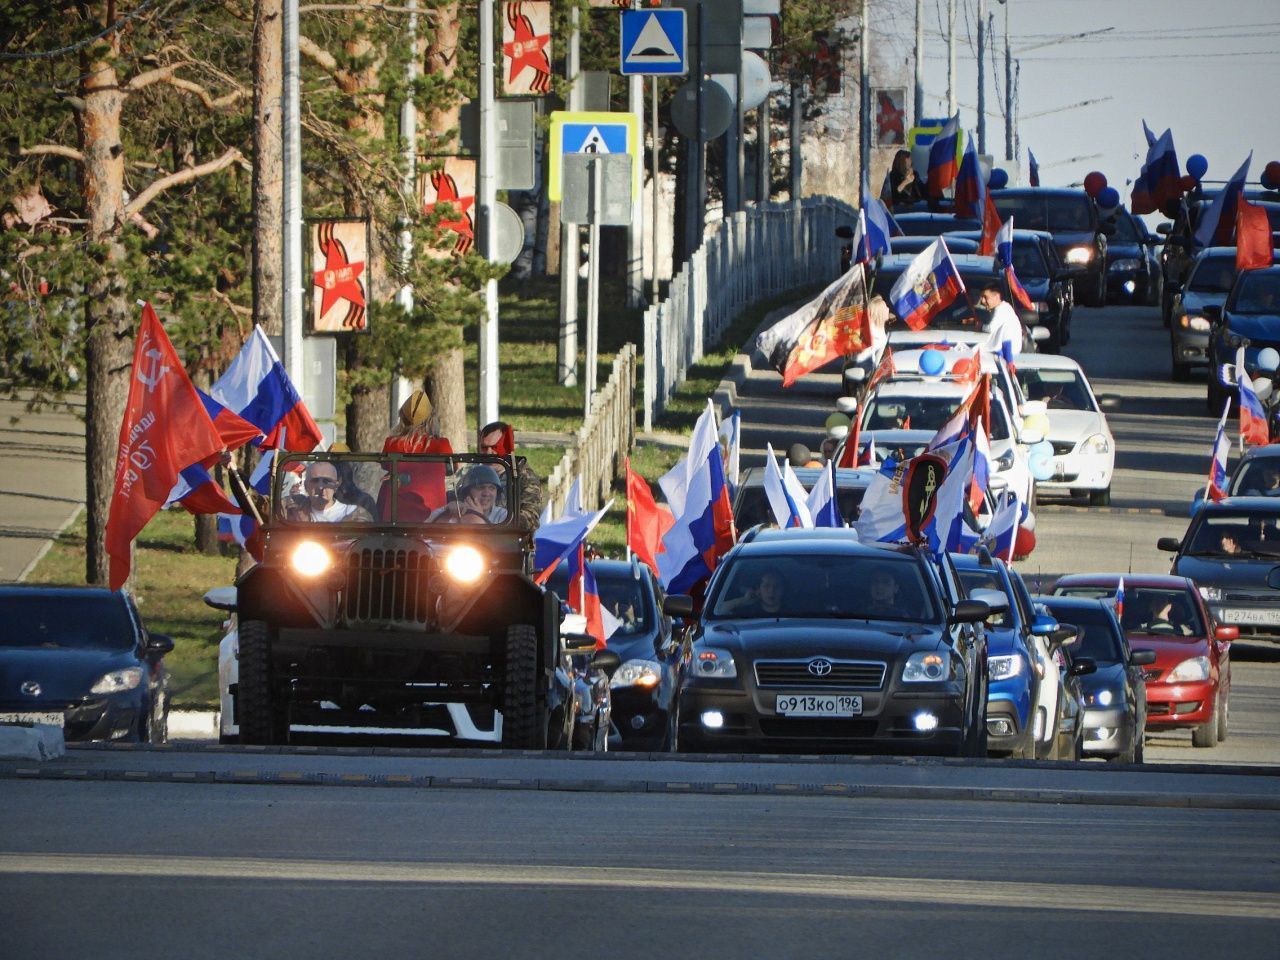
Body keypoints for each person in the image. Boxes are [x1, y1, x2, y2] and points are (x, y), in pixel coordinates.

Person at [381, 389, 453, 521]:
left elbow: (385, 466)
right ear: (431, 420)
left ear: (402, 418)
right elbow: (453, 469)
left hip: (396, 516)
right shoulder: (442, 445)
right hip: (433, 516)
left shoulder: (391, 443)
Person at [478, 420, 543, 530]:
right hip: (474, 538)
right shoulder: (475, 474)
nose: (488, 453)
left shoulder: (525, 478)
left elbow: (531, 517)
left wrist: (501, 521)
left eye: (494, 447)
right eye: (484, 448)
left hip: (511, 540)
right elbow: (457, 497)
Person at [287, 461, 372, 522]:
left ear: (336, 486)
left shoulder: (355, 515)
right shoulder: (291, 510)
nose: (321, 487)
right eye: (315, 481)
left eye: (327, 481)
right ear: (306, 485)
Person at [429, 464, 509, 524]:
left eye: (492, 488)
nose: (486, 493)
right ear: (467, 491)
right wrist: (447, 511)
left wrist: (478, 517)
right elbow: (426, 529)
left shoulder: (503, 516)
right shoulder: (455, 511)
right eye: (480, 487)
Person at [978, 283, 1025, 359]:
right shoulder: (1001, 308)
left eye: (986, 297)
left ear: (997, 296)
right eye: (982, 297)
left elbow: (991, 328)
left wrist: (980, 326)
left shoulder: (1002, 310)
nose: (983, 301)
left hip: (1006, 354)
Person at [720, 571, 787, 618]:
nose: (772, 591)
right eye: (766, 586)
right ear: (758, 589)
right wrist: (743, 600)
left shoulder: (793, 612)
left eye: (777, 586)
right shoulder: (747, 613)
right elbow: (717, 611)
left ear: (783, 589)